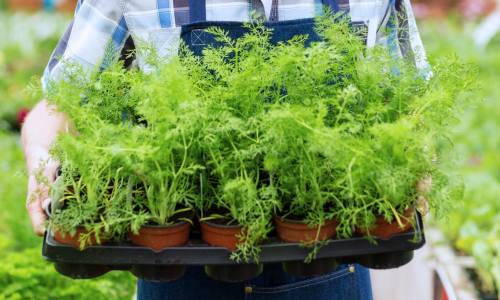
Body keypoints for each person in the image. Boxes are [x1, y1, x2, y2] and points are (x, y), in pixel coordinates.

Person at [23, 0, 428, 299]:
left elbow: (412, 100)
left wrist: (418, 158)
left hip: (330, 256)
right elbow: (61, 101)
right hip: (176, 259)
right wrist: (41, 160)